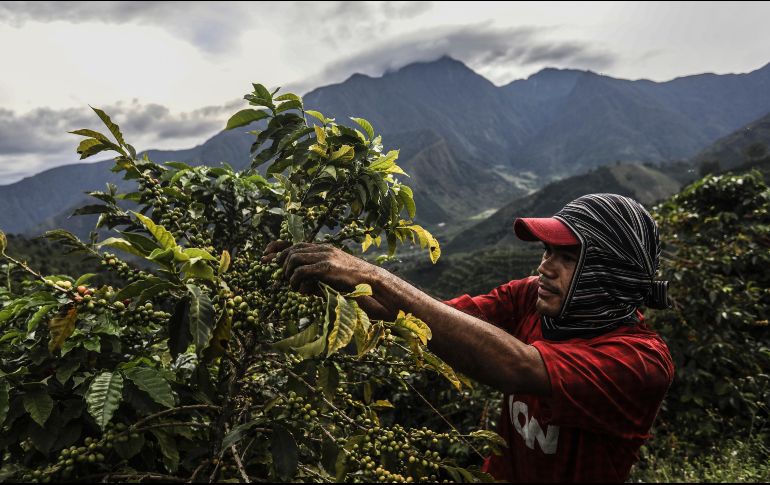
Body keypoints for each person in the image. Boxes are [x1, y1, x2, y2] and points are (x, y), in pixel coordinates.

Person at [262, 193, 674, 483]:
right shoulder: (533, 296)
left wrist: (372, 275)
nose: (546, 267)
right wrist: (338, 284)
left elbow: (518, 367)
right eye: (547, 252)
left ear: (607, 274)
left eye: (567, 258)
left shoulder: (639, 362)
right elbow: (431, 322)